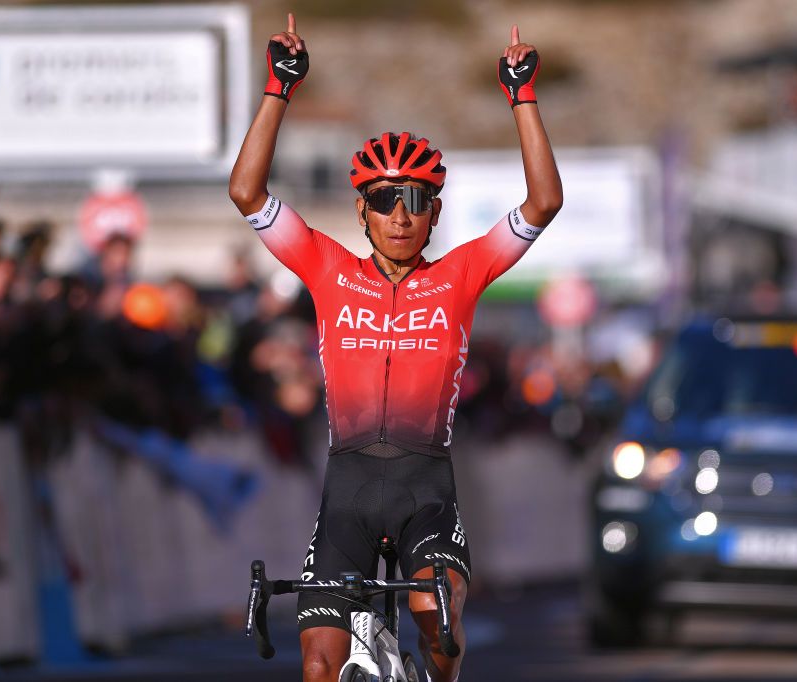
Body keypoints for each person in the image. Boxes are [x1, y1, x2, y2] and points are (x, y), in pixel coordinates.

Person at [229, 14, 562, 682]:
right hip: (347, 489)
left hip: (426, 491)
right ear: (362, 210)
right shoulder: (327, 269)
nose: (400, 213)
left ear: (435, 211)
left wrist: (522, 98)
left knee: (433, 616)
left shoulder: (461, 275)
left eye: (416, 198)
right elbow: (247, 192)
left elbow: (544, 201)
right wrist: (277, 90)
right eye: (384, 199)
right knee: (320, 667)